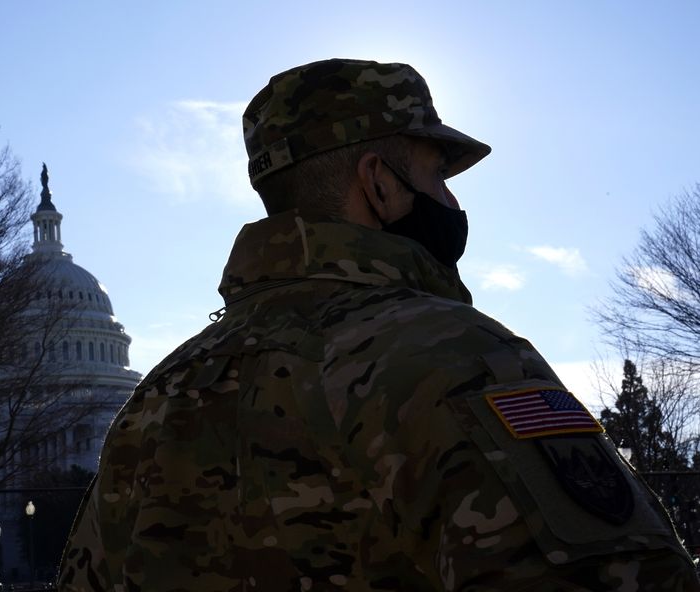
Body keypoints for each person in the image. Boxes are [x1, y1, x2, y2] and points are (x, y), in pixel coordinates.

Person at [58, 58, 699, 591]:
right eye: (435, 174)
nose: (450, 200)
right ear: (379, 184)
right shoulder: (448, 354)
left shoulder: (157, 400)